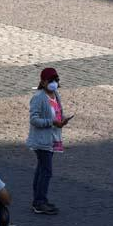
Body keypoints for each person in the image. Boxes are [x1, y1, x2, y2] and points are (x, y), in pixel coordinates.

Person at [26, 67, 72, 215]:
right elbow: (34, 119)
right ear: (43, 82)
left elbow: (57, 113)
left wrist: (61, 121)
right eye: (50, 81)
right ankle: (39, 202)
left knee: (42, 169)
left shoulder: (56, 94)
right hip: (42, 141)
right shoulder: (39, 97)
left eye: (56, 80)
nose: (54, 83)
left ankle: (39, 200)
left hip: (52, 138)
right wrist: (51, 122)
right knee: (46, 171)